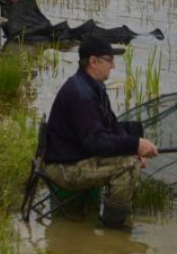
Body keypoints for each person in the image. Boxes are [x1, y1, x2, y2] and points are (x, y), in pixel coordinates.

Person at [43, 36, 159, 229]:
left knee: (131, 158)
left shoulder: (92, 87)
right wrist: (135, 145)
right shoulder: (81, 95)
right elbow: (95, 143)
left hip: (75, 158)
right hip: (63, 168)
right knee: (128, 166)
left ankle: (111, 220)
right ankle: (115, 229)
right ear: (93, 62)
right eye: (109, 60)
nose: (113, 66)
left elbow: (113, 126)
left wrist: (135, 149)